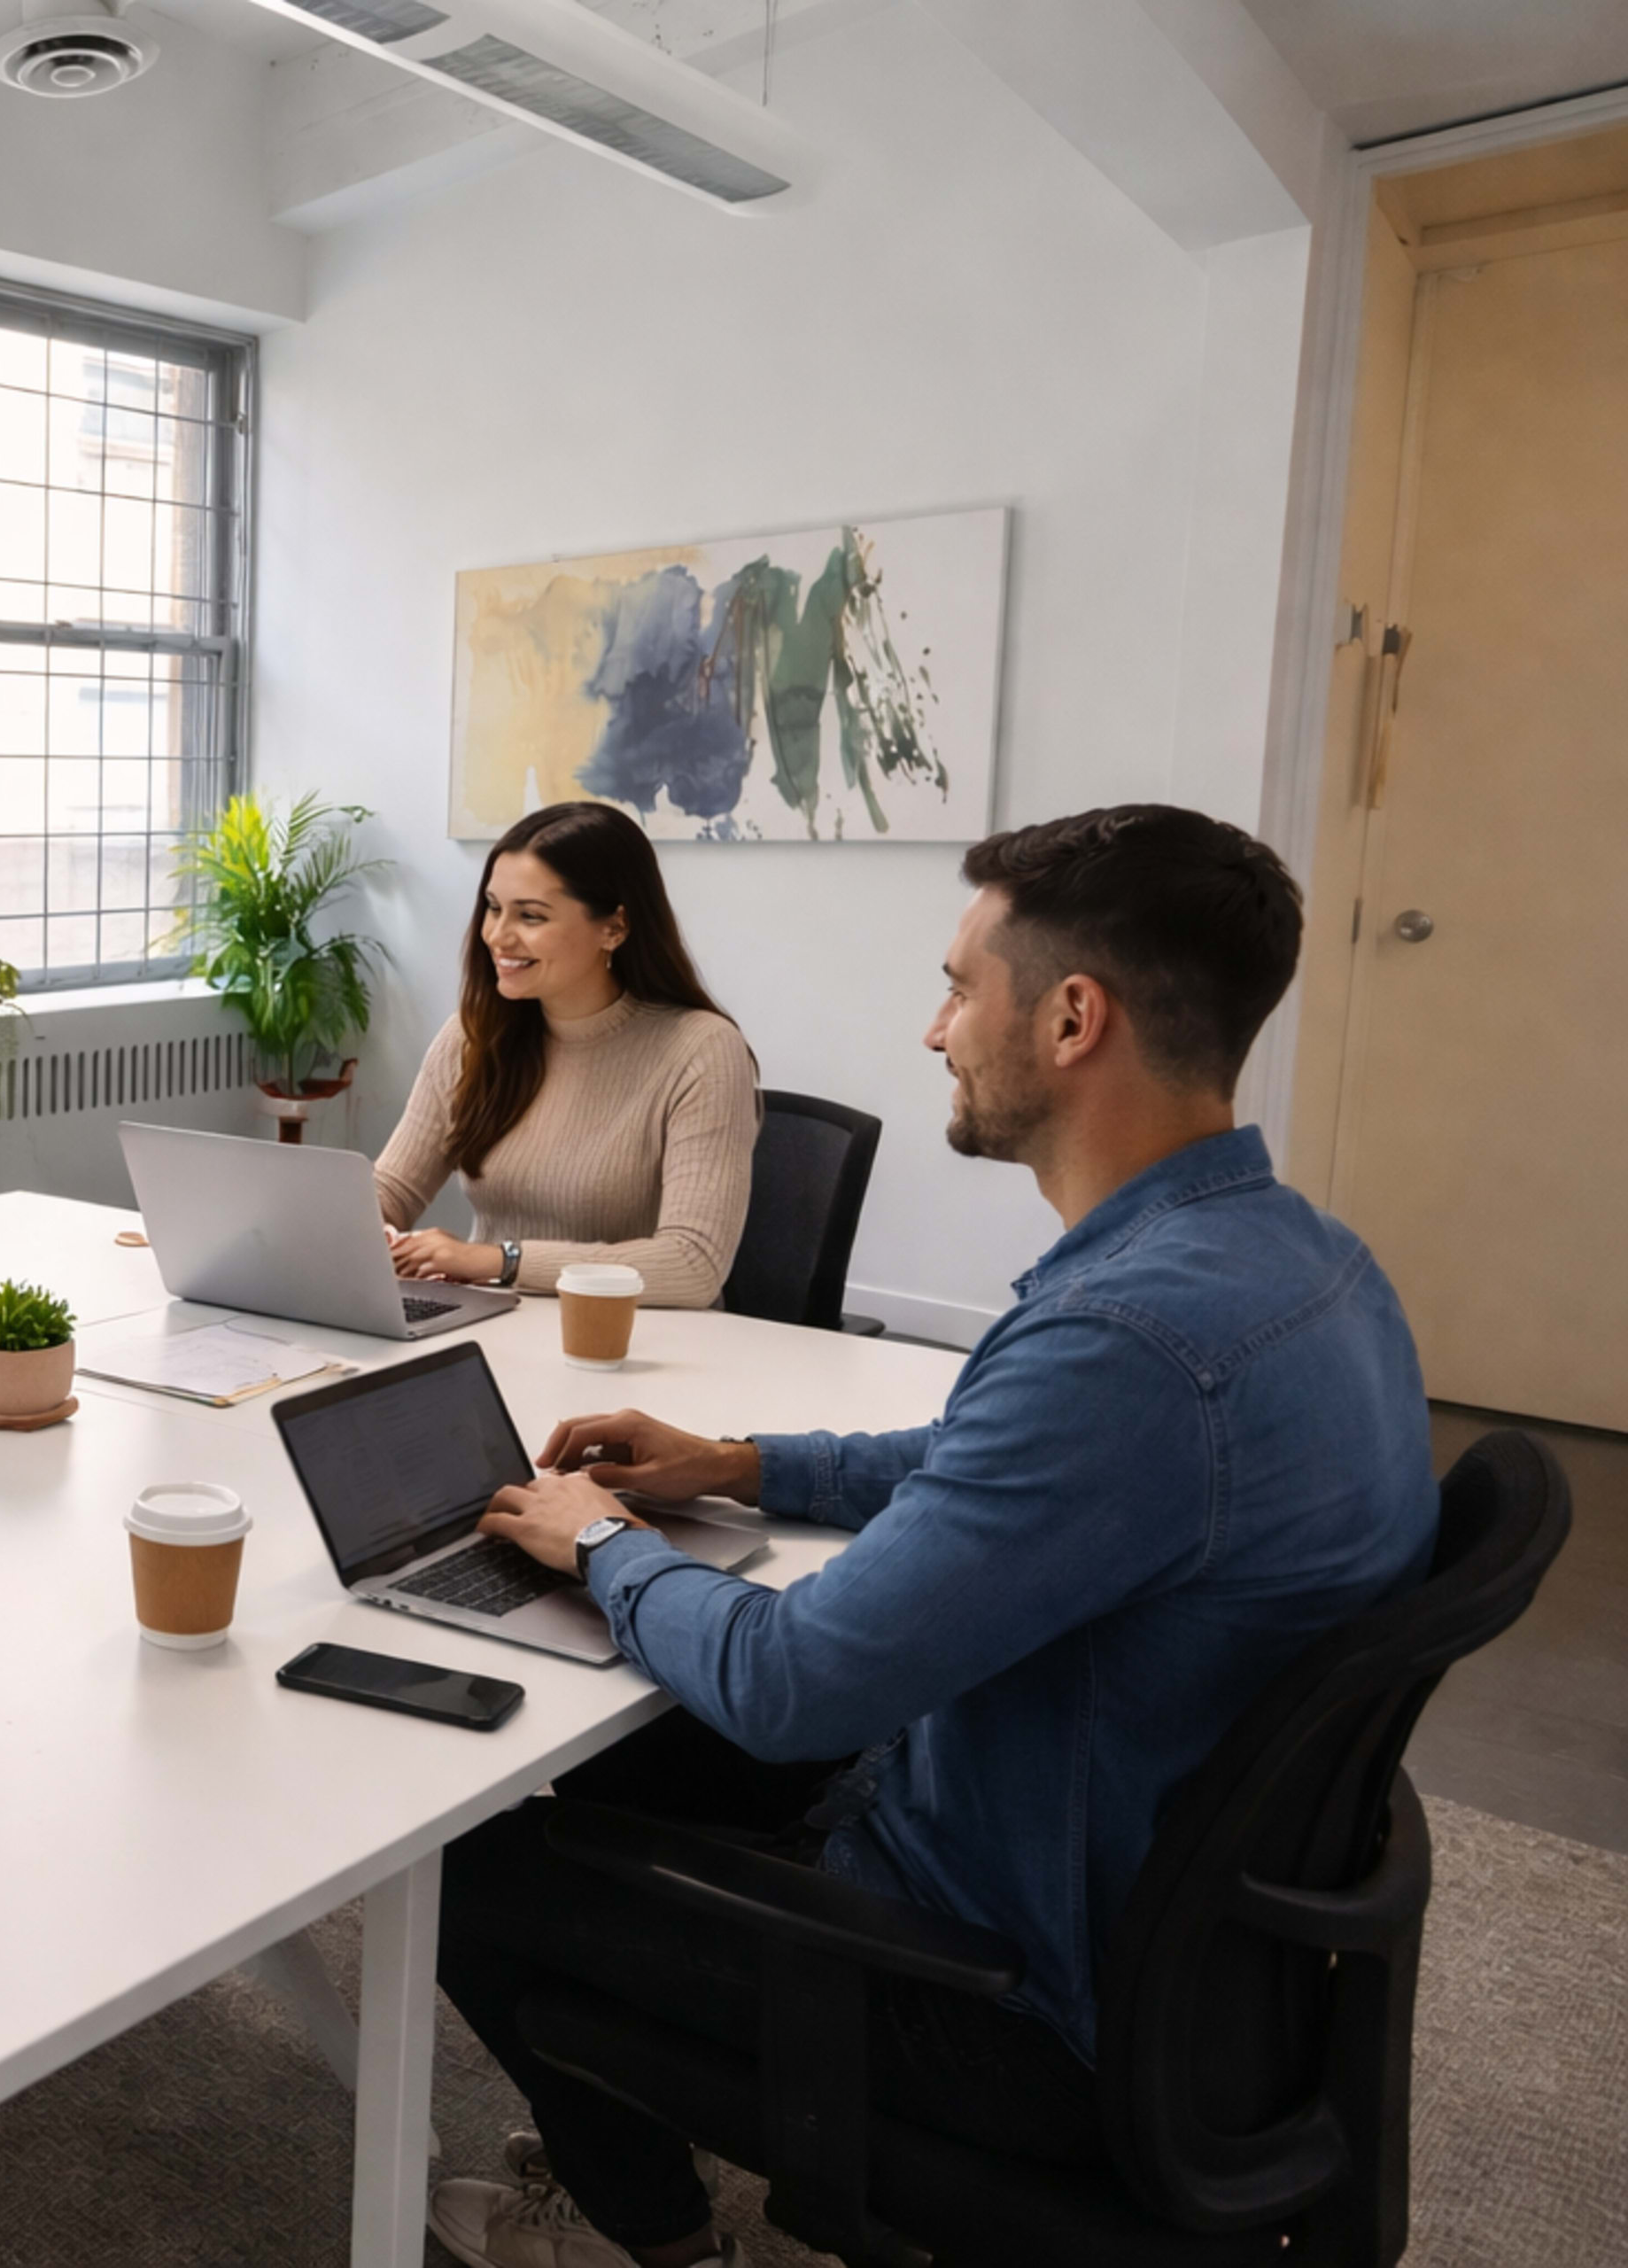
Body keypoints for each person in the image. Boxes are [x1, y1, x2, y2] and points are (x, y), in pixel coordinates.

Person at [417, 805, 1438, 2268]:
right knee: (615, 1747)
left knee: (470, 1862)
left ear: (1075, 1018)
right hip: (1173, 1938)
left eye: (962, 986)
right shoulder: (1301, 1263)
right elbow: (994, 1463)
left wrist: (597, 1546)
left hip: (1001, 1996)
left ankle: (639, 2237)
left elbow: (791, 1687)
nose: (933, 1028)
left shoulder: (1125, 1344)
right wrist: (744, 1464)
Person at [374, 801, 757, 1308]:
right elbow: (393, 1189)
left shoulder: (702, 1050)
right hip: (495, 1324)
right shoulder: (474, 1036)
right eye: (493, 907)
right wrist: (364, 1226)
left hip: (635, 1342)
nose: (497, 936)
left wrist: (497, 1261)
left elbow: (692, 1265)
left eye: (530, 916)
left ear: (614, 928)